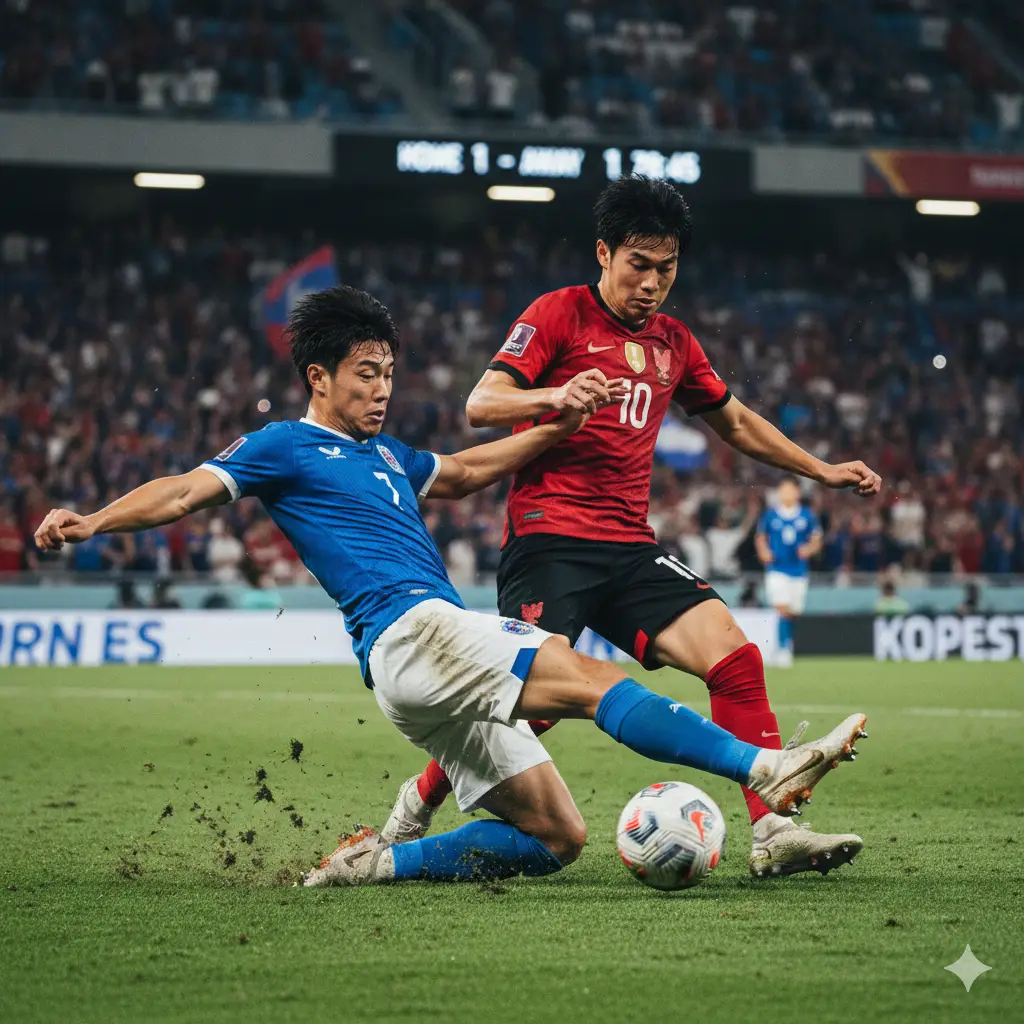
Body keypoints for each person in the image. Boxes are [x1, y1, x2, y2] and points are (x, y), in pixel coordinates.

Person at [34, 285, 868, 888]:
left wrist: (556, 424)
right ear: (318, 377)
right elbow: (183, 490)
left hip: (413, 673)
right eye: (365, 372)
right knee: (590, 678)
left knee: (557, 837)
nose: (382, 387)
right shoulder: (284, 445)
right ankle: (762, 768)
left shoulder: (390, 456)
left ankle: (376, 862)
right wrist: (92, 522)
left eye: (389, 370)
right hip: (413, 629)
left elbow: (467, 469)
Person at [385, 176, 880, 880]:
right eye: (638, 265)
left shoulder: (675, 342)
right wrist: (557, 393)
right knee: (536, 706)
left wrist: (820, 470)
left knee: (735, 657)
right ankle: (420, 795)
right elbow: (482, 403)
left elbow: (734, 421)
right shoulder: (558, 315)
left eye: (666, 269)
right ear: (604, 254)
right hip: (548, 543)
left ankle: (771, 829)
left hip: (628, 549)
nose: (651, 283)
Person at [755, 477, 822, 668]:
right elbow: (760, 537)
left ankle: (786, 643)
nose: (786, 494)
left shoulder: (807, 516)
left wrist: (809, 549)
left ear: (797, 493)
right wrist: (764, 552)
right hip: (777, 568)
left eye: (789, 490)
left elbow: (817, 539)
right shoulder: (770, 516)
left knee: (793, 611)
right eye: (783, 490)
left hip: (799, 570)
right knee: (781, 607)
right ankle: (784, 648)